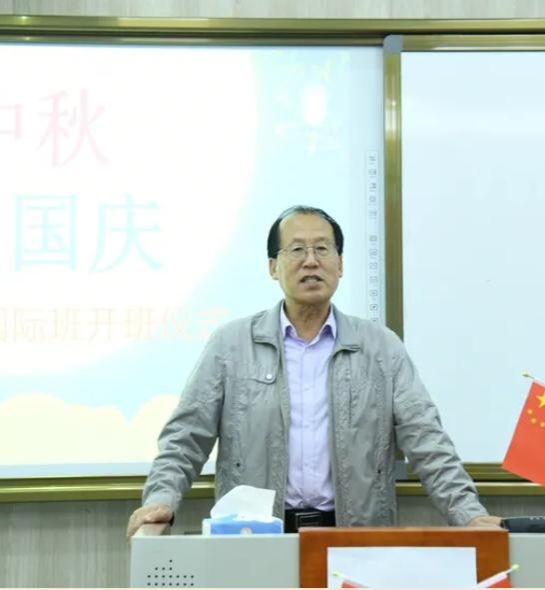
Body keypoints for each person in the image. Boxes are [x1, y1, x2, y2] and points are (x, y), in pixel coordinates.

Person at [126, 205, 500, 537]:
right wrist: (160, 500)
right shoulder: (231, 345)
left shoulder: (380, 348)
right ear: (273, 267)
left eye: (322, 249)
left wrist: (469, 515)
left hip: (354, 540)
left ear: (340, 264)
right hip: (256, 538)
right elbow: (185, 439)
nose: (310, 261)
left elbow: (427, 441)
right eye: (296, 250)